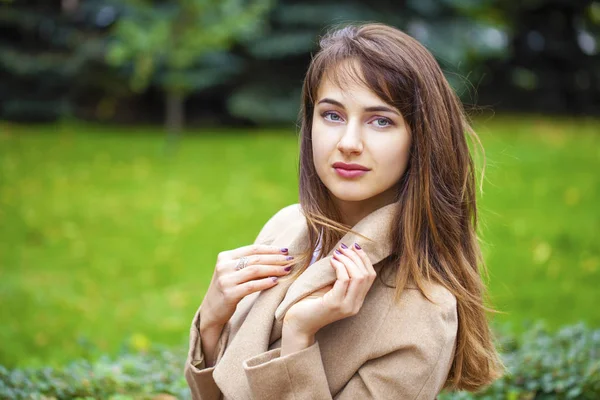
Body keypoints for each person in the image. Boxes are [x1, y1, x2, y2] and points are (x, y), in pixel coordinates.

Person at [184, 22, 504, 399]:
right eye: (332, 115)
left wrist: (299, 335)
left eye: (380, 121)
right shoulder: (286, 226)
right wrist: (211, 321)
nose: (348, 143)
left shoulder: (423, 311)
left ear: (421, 139)